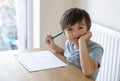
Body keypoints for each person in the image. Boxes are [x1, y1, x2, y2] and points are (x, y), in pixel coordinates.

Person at [45, 8, 103, 80]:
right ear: (64, 33)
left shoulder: (96, 49)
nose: (75, 33)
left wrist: (82, 42)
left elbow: (88, 71)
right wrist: (54, 46)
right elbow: (68, 55)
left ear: (88, 30)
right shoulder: (69, 43)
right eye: (69, 29)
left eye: (80, 28)